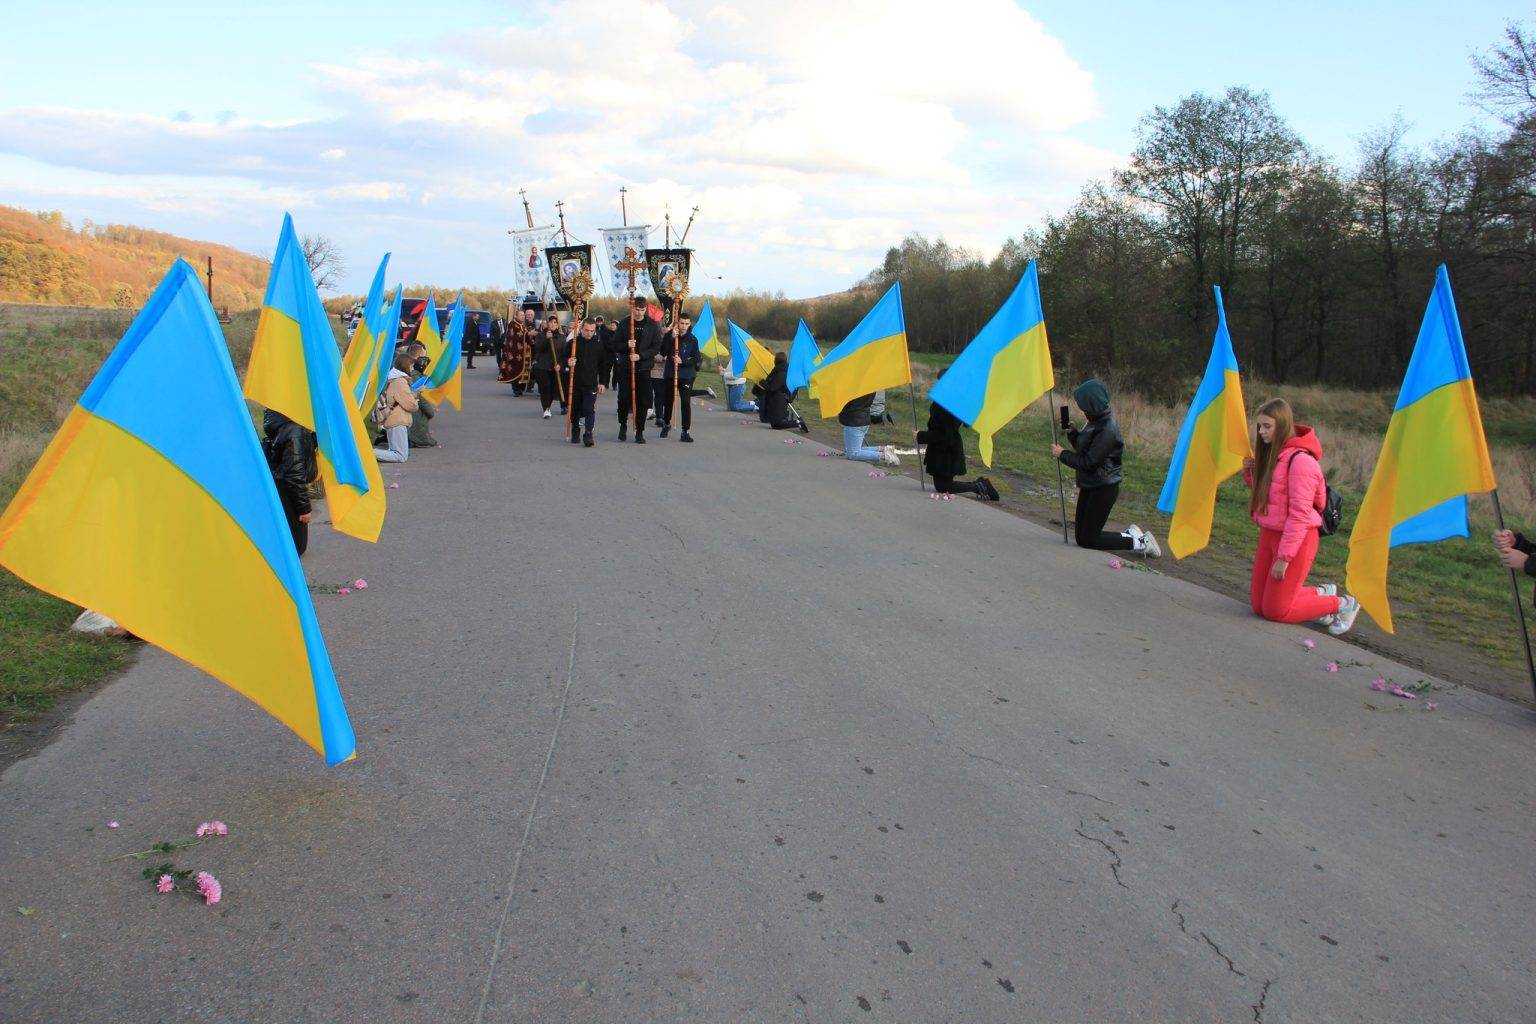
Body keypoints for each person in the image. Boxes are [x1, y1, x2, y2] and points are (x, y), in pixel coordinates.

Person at [1242, 398, 1358, 633]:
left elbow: (1299, 515)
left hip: (1297, 539)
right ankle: (1319, 594)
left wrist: (1284, 558)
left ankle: (1343, 604)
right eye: (1260, 426)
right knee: (1259, 606)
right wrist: (1250, 473)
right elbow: (1271, 495)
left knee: (1276, 611)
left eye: (1267, 426)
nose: (1261, 432)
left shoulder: (1301, 462)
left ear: (1283, 426)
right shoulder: (1276, 455)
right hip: (1270, 534)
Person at [1052, 378, 1159, 555]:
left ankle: (1139, 542)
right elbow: (1084, 448)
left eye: (1084, 407)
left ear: (1092, 406)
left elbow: (1089, 462)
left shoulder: (1107, 429)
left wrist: (1062, 454)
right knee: (1082, 538)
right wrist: (1073, 433)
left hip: (1103, 487)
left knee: (1090, 540)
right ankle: (1131, 535)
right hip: (1090, 485)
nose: (1082, 410)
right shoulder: (1095, 421)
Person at [915, 402, 999, 500]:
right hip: (940, 450)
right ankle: (979, 485)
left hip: (947, 452)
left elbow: (944, 434)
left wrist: (921, 436)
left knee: (944, 486)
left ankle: (981, 486)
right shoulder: (944, 400)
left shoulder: (953, 405)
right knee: (941, 485)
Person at [262, 409, 317, 555]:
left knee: (287, 544)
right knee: (297, 548)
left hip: (282, 490)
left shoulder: (282, 426)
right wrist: (304, 508)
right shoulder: (294, 431)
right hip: (290, 495)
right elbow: (294, 474)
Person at [612, 295, 662, 442]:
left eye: (642, 309)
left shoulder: (652, 325)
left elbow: (656, 347)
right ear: (632, 308)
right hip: (626, 368)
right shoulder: (624, 323)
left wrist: (641, 356)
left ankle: (639, 431)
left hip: (644, 368)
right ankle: (623, 424)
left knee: (644, 401)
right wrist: (626, 345)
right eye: (637, 309)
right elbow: (615, 345)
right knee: (624, 398)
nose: (639, 312)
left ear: (645, 309)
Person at [563, 318, 607, 447]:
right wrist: (568, 362)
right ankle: (575, 430)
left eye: (592, 331)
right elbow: (563, 358)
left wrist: (603, 382)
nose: (589, 333)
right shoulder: (572, 343)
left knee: (589, 409)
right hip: (574, 382)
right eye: (586, 330)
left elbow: (603, 365)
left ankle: (588, 434)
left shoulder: (598, 344)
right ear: (581, 328)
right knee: (575, 409)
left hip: (590, 382)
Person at [661, 313, 703, 441]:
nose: (684, 326)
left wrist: (683, 361)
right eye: (682, 323)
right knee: (668, 401)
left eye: (686, 323)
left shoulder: (693, 339)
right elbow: (663, 351)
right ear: (677, 323)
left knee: (685, 402)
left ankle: (685, 431)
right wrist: (672, 338)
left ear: (689, 324)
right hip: (671, 373)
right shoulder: (670, 335)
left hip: (686, 375)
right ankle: (666, 423)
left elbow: (696, 358)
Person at [373, 352, 419, 463]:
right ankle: (367, 453)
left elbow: (400, 397)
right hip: (398, 420)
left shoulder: (394, 379)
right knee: (400, 455)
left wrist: (414, 395)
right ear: (405, 366)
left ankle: (367, 454)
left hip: (393, 418)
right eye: (411, 366)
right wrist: (416, 401)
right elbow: (410, 405)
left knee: (396, 452)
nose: (412, 369)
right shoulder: (400, 381)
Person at [840, 392, 899, 467]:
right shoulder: (868, 388)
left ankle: (885, 456)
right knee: (854, 449)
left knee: (853, 454)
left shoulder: (854, 390)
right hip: (862, 419)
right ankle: (884, 449)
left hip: (854, 421)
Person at [760, 351, 807, 432]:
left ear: (776, 361)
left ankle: (798, 422)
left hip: (779, 400)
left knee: (777, 424)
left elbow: (772, 388)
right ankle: (794, 421)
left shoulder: (781, 373)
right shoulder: (782, 370)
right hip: (779, 398)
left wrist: (763, 383)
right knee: (774, 424)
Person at [405, 343, 438, 448]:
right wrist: (430, 412)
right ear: (417, 357)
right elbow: (420, 397)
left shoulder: (408, 369)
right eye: (423, 356)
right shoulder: (414, 374)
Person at [531, 316, 563, 418]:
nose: (553, 324)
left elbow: (564, 354)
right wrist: (547, 339)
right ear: (547, 324)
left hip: (555, 368)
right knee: (545, 388)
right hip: (542, 367)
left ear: (558, 325)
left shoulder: (562, 337)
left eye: (555, 322)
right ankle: (546, 409)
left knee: (553, 389)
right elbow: (538, 348)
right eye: (551, 322)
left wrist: (560, 365)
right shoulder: (541, 335)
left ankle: (548, 406)